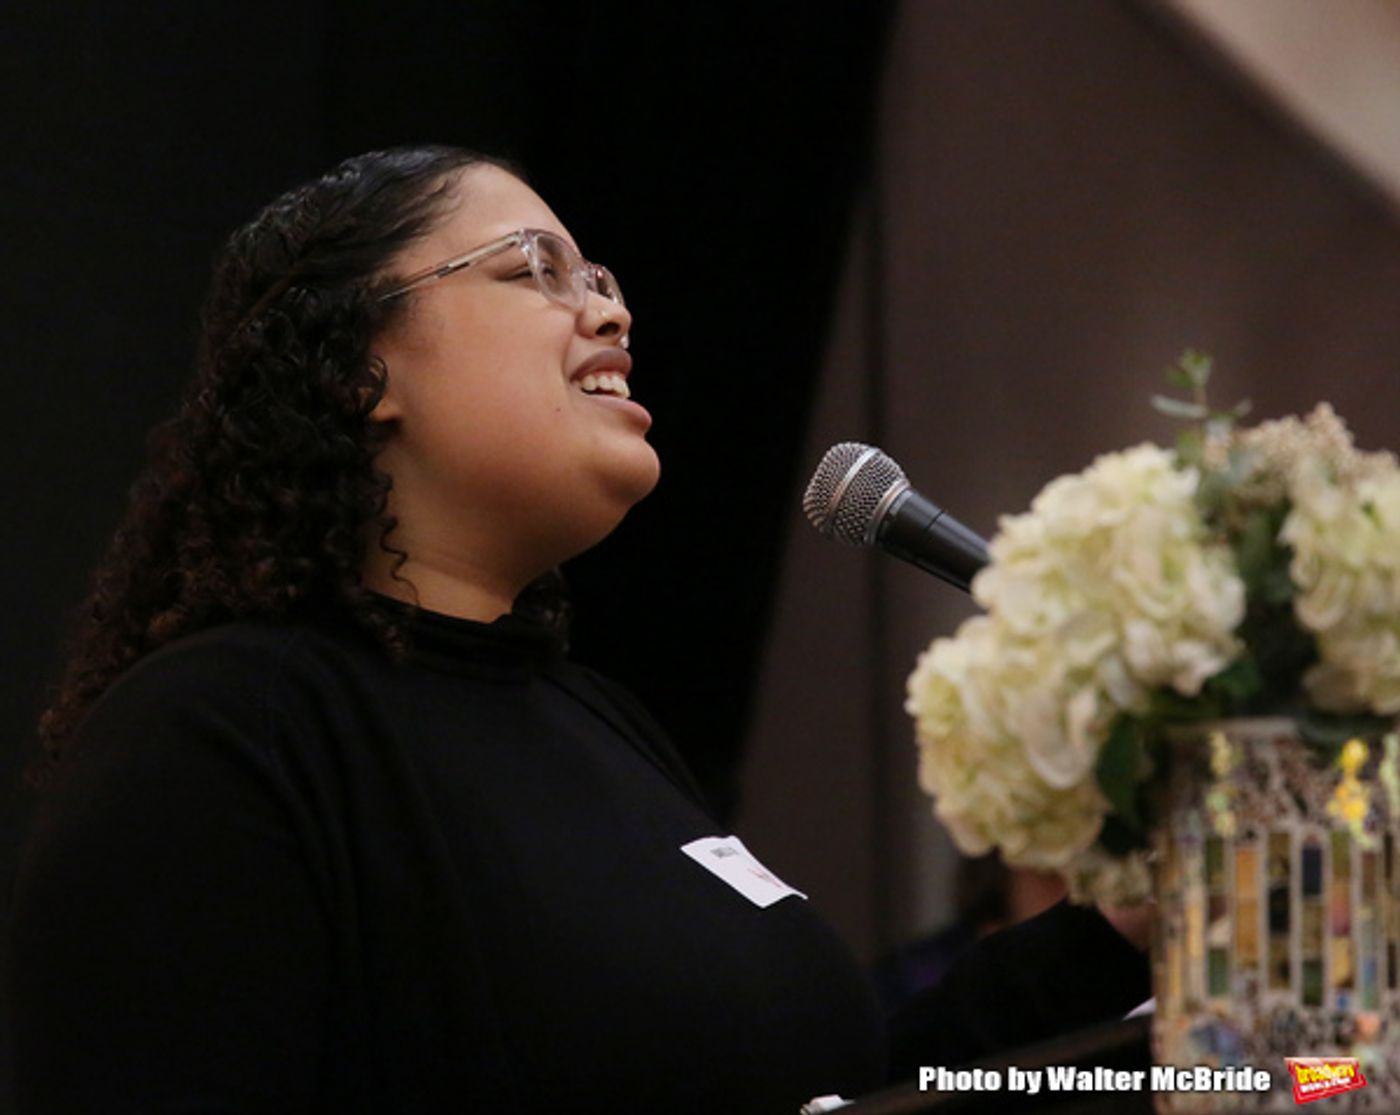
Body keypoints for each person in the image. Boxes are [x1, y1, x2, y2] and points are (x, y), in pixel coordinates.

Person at [5, 146, 1150, 1114]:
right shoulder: (226, 730)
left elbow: (826, 1088)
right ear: (361, 367)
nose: (609, 307)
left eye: (596, 273)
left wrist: (1111, 932)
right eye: (533, 269)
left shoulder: (592, 720)